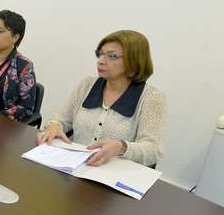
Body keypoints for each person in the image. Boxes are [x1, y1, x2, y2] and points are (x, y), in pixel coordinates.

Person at [37, 30, 167, 167]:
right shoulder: (87, 84)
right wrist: (53, 126)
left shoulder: (152, 97)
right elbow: (60, 119)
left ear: (133, 61)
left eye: (112, 56)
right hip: (74, 166)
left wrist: (122, 147)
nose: (100, 61)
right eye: (100, 54)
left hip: (116, 173)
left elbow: (154, 150)